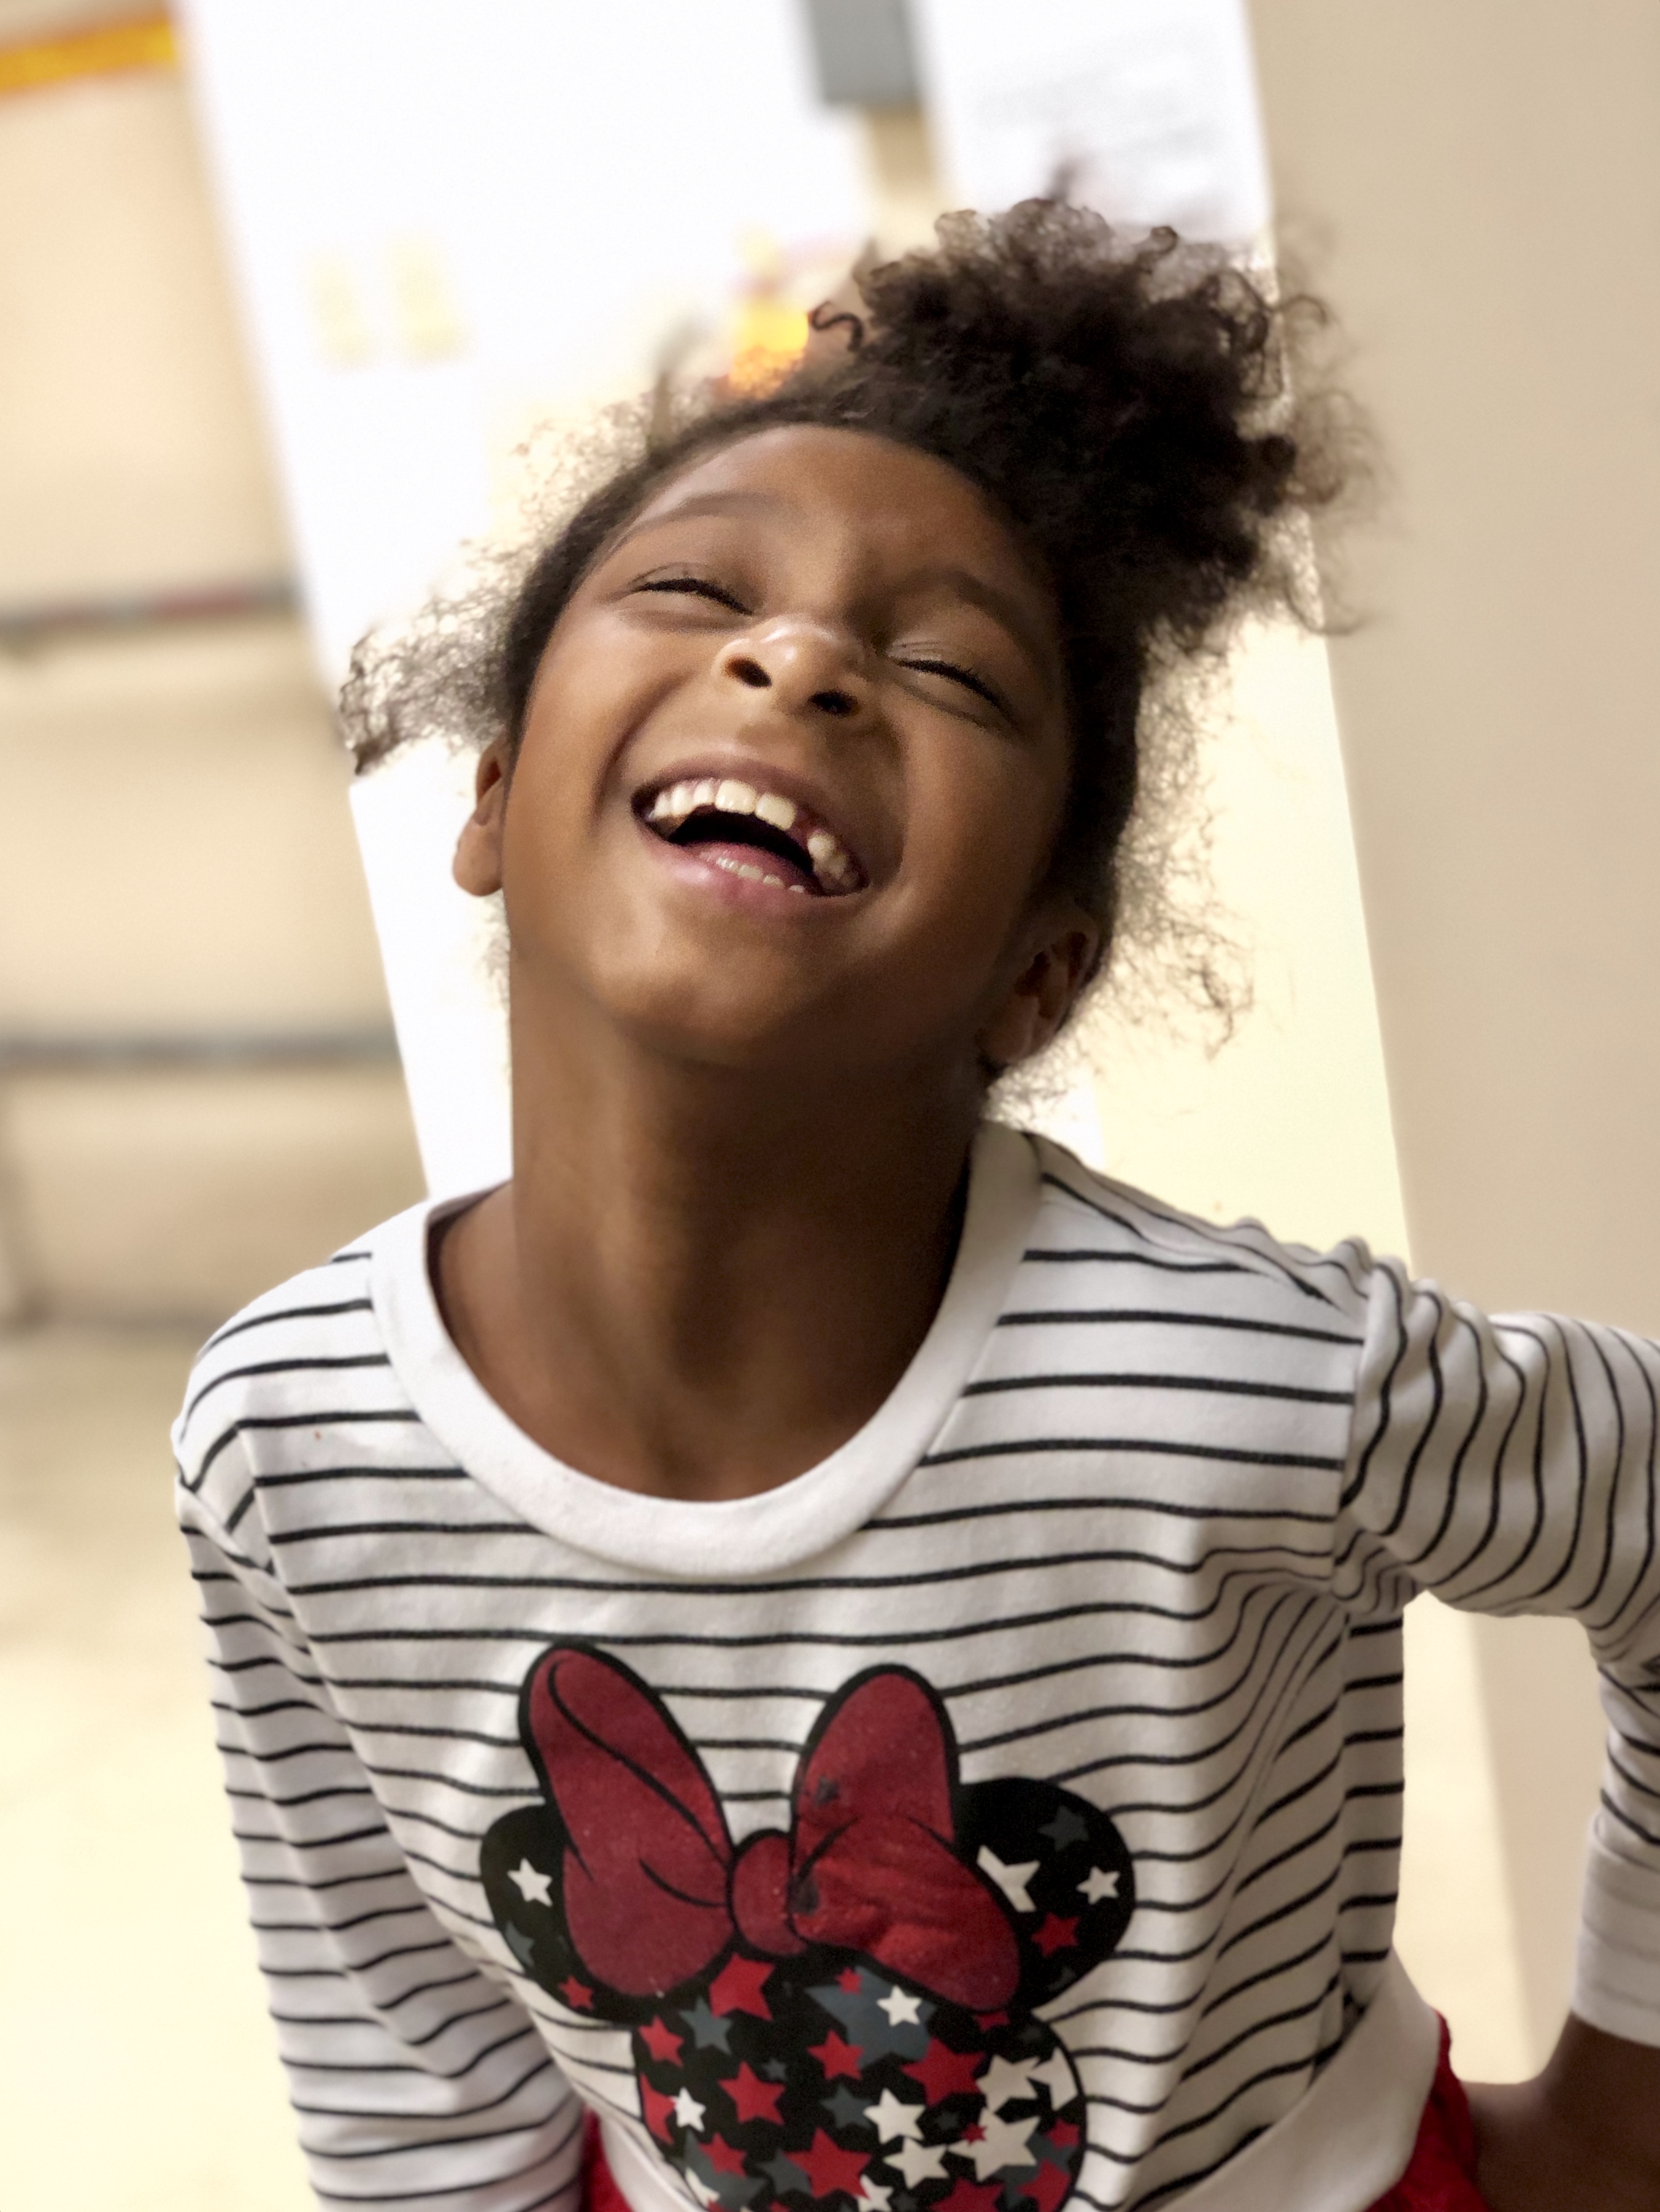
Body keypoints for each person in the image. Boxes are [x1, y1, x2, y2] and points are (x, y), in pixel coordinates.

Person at [174, 203, 1660, 2212]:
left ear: (1039, 969)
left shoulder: (1257, 1383)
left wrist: (1621, 2105)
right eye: (696, 588)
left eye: (947, 671)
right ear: (492, 793)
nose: (794, 658)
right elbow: (407, 2076)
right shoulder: (284, 1438)